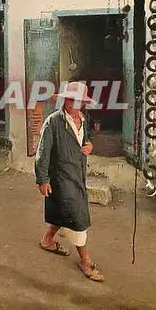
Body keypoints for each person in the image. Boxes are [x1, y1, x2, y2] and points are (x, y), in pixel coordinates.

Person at [34, 81, 104, 282]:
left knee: (64, 209)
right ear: (65, 100)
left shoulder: (82, 119)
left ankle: (47, 240)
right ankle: (85, 259)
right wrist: (42, 180)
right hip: (61, 176)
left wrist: (89, 146)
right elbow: (42, 153)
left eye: (79, 101)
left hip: (77, 174)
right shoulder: (53, 122)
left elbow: (85, 141)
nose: (75, 104)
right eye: (72, 100)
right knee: (77, 215)